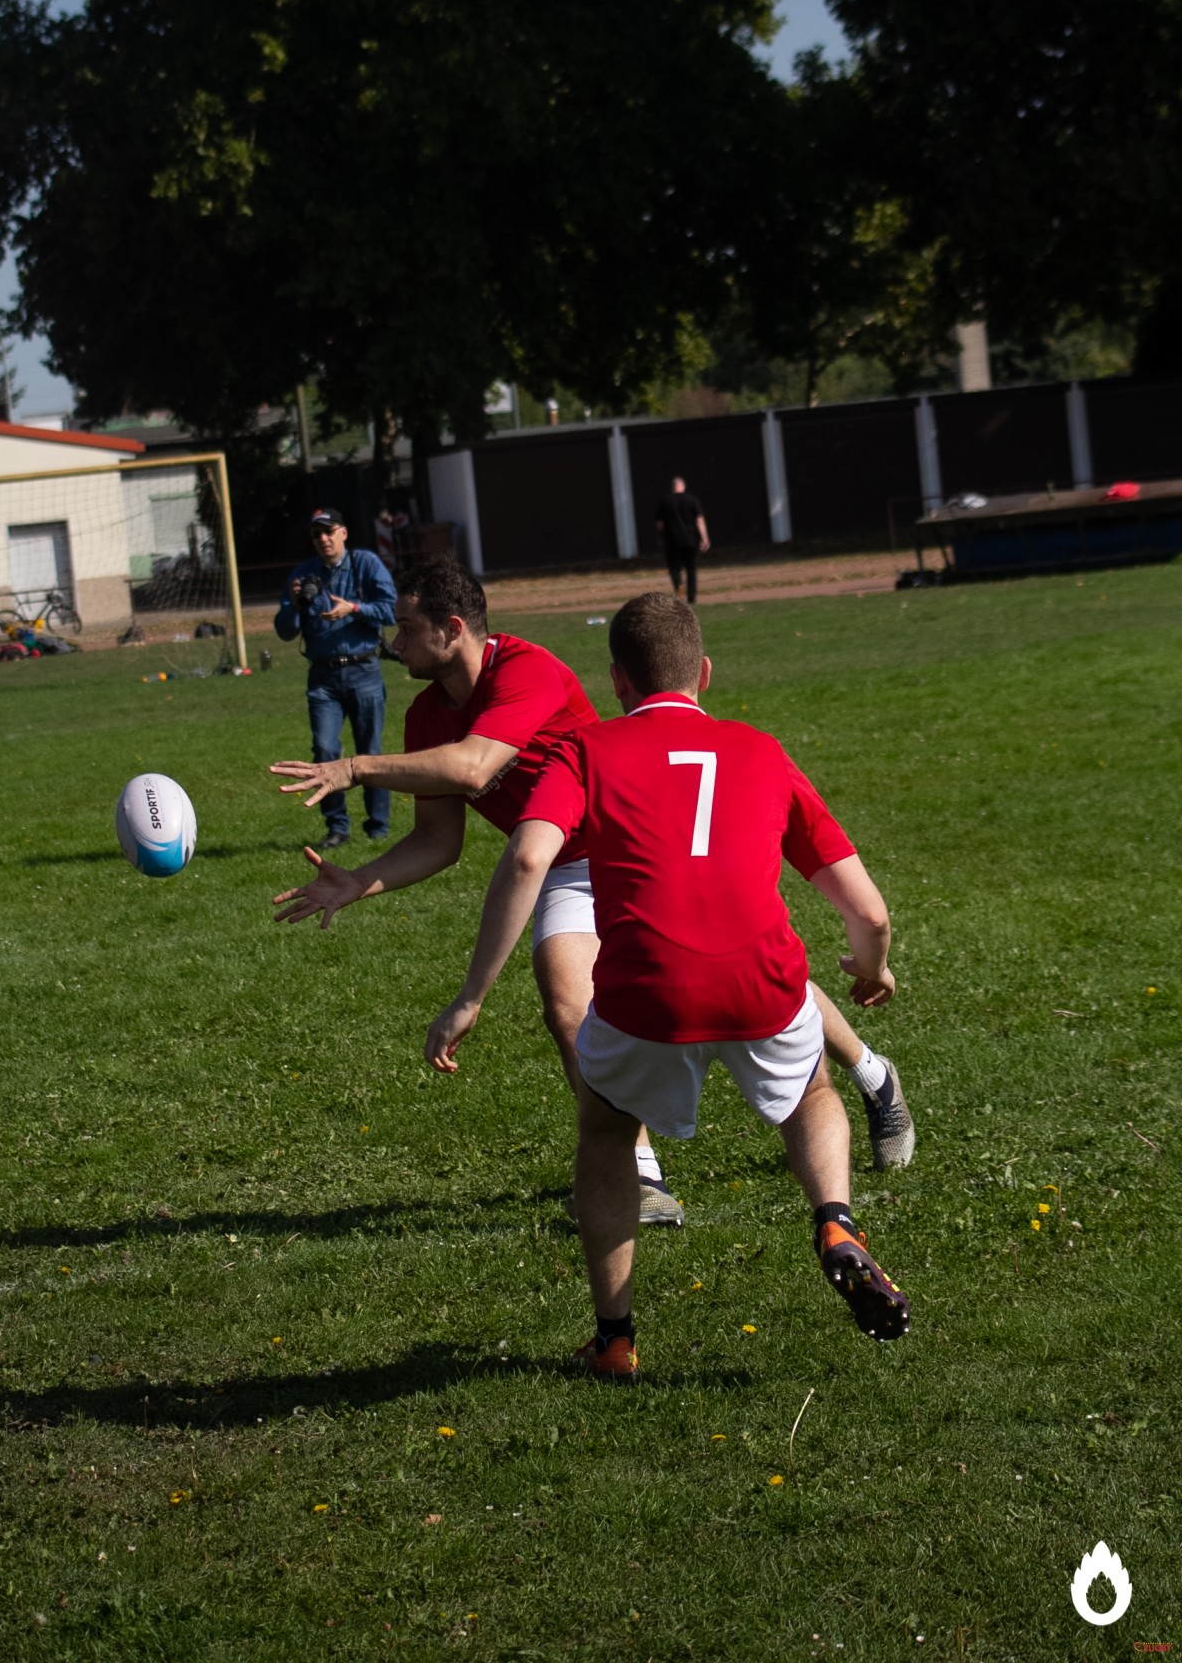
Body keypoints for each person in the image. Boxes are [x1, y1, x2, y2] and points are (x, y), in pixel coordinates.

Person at [425, 592, 910, 1380]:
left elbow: (524, 860)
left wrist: (471, 995)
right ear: (705, 674)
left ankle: (615, 1338)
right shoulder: (761, 749)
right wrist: (872, 964)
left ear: (616, 681)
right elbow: (867, 909)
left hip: (645, 990)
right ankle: (835, 1221)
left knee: (608, 1133)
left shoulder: (585, 751)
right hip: (762, 981)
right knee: (812, 1093)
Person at [269, 553, 684, 1224]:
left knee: (735, 993)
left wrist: (354, 766)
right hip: (561, 866)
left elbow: (472, 769)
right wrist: (358, 884)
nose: (393, 642)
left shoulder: (529, 670)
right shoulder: (427, 717)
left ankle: (870, 1074)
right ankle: (637, 1173)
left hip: (637, 850)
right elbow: (440, 839)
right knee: (568, 1011)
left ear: (452, 629)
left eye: (406, 629)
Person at [273, 508, 397, 850]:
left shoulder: (366, 564)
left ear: (343, 532)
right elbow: (284, 632)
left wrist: (355, 609)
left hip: (364, 670)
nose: (324, 539)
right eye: (317, 534)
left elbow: (391, 609)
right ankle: (337, 828)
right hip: (323, 677)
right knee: (325, 749)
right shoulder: (303, 575)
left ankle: (378, 828)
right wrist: (295, 605)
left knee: (369, 753)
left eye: (329, 531)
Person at [654, 474, 710, 603]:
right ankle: (691, 597)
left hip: (672, 541)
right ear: (683, 486)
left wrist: (660, 537)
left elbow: (659, 524)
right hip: (691, 540)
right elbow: (700, 520)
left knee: (675, 570)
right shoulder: (692, 500)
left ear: (672, 487)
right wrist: (704, 538)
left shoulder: (665, 501)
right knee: (691, 570)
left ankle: (680, 595)